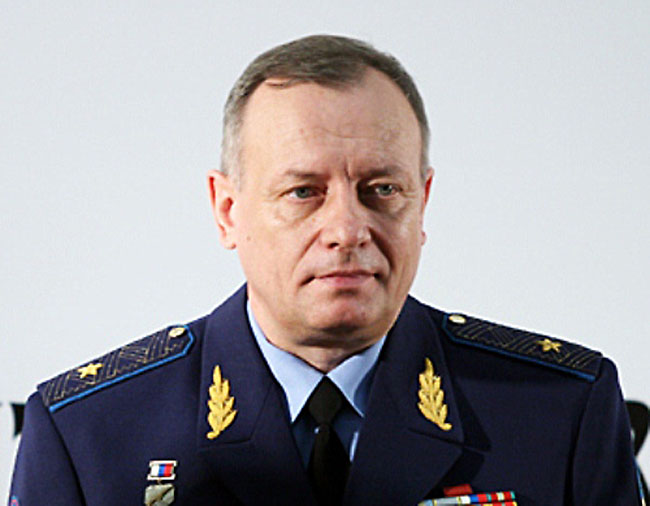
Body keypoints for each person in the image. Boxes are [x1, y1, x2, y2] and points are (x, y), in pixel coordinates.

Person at [8, 35, 643, 506]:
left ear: (422, 203)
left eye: (381, 189)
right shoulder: (89, 436)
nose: (346, 229)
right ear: (228, 211)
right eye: (303, 192)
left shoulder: (560, 412)